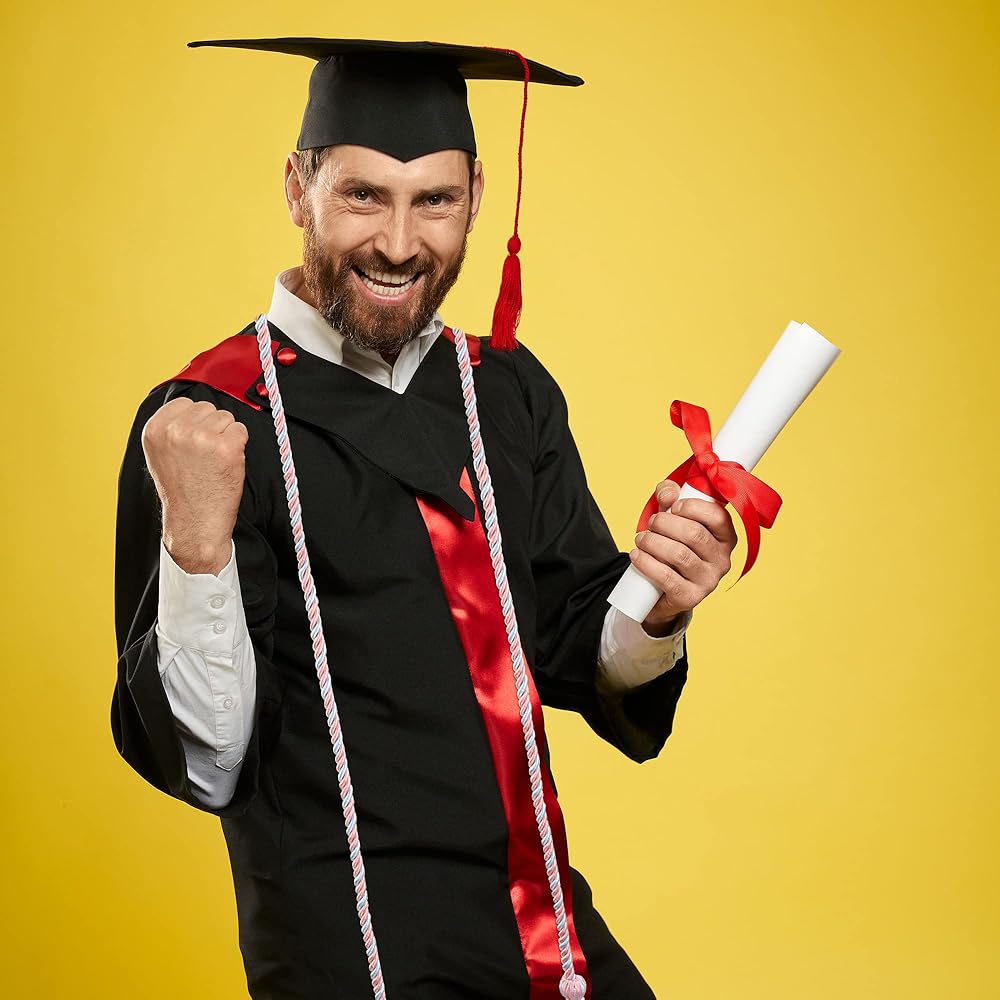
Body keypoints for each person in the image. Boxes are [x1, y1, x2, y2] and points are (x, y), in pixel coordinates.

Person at [111, 38, 738, 999]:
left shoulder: (507, 391)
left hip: (540, 918)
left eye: (434, 201)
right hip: (355, 943)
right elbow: (208, 763)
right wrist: (195, 550)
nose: (400, 244)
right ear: (298, 189)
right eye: (364, 195)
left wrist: (658, 602)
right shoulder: (212, 420)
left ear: (476, 197)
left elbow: (575, 645)